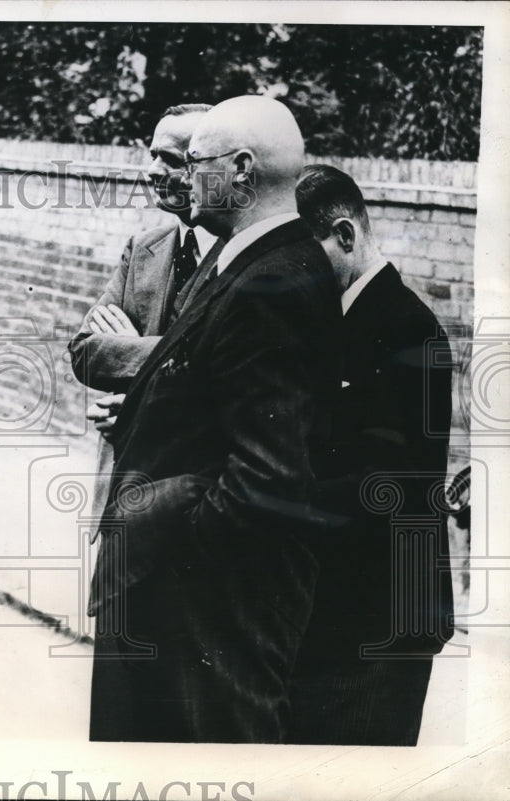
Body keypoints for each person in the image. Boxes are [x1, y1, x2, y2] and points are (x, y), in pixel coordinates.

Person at [87, 95, 341, 742]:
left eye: (195, 161)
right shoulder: (261, 263)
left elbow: (267, 474)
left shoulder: (271, 282)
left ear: (242, 169)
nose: (179, 175)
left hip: (205, 604)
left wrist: (174, 558)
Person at [290, 164, 454, 745]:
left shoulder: (408, 328)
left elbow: (390, 483)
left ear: (345, 235)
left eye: (304, 261)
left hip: (379, 625)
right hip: (338, 614)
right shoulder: (338, 320)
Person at [68, 104, 223, 517]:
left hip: (197, 496)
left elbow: (225, 366)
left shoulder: (242, 257)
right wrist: (177, 354)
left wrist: (134, 359)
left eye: (170, 159)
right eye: (152, 155)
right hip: (121, 483)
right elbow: (84, 351)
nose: (152, 171)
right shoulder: (142, 249)